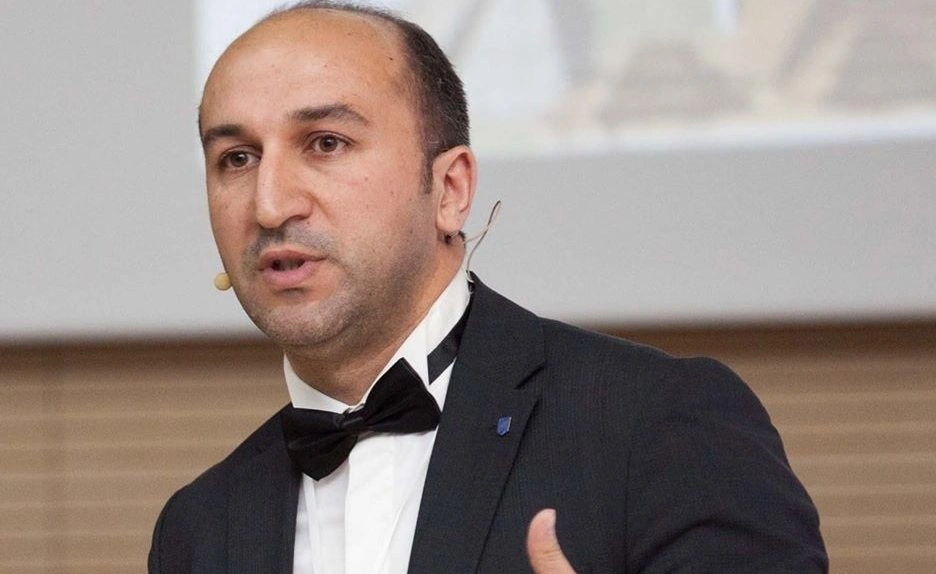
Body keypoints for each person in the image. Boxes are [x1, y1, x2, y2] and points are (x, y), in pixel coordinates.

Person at [148, 2, 828, 572]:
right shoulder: (199, 529)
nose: (270, 205)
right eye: (236, 158)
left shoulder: (661, 426)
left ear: (449, 190)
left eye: (326, 143)